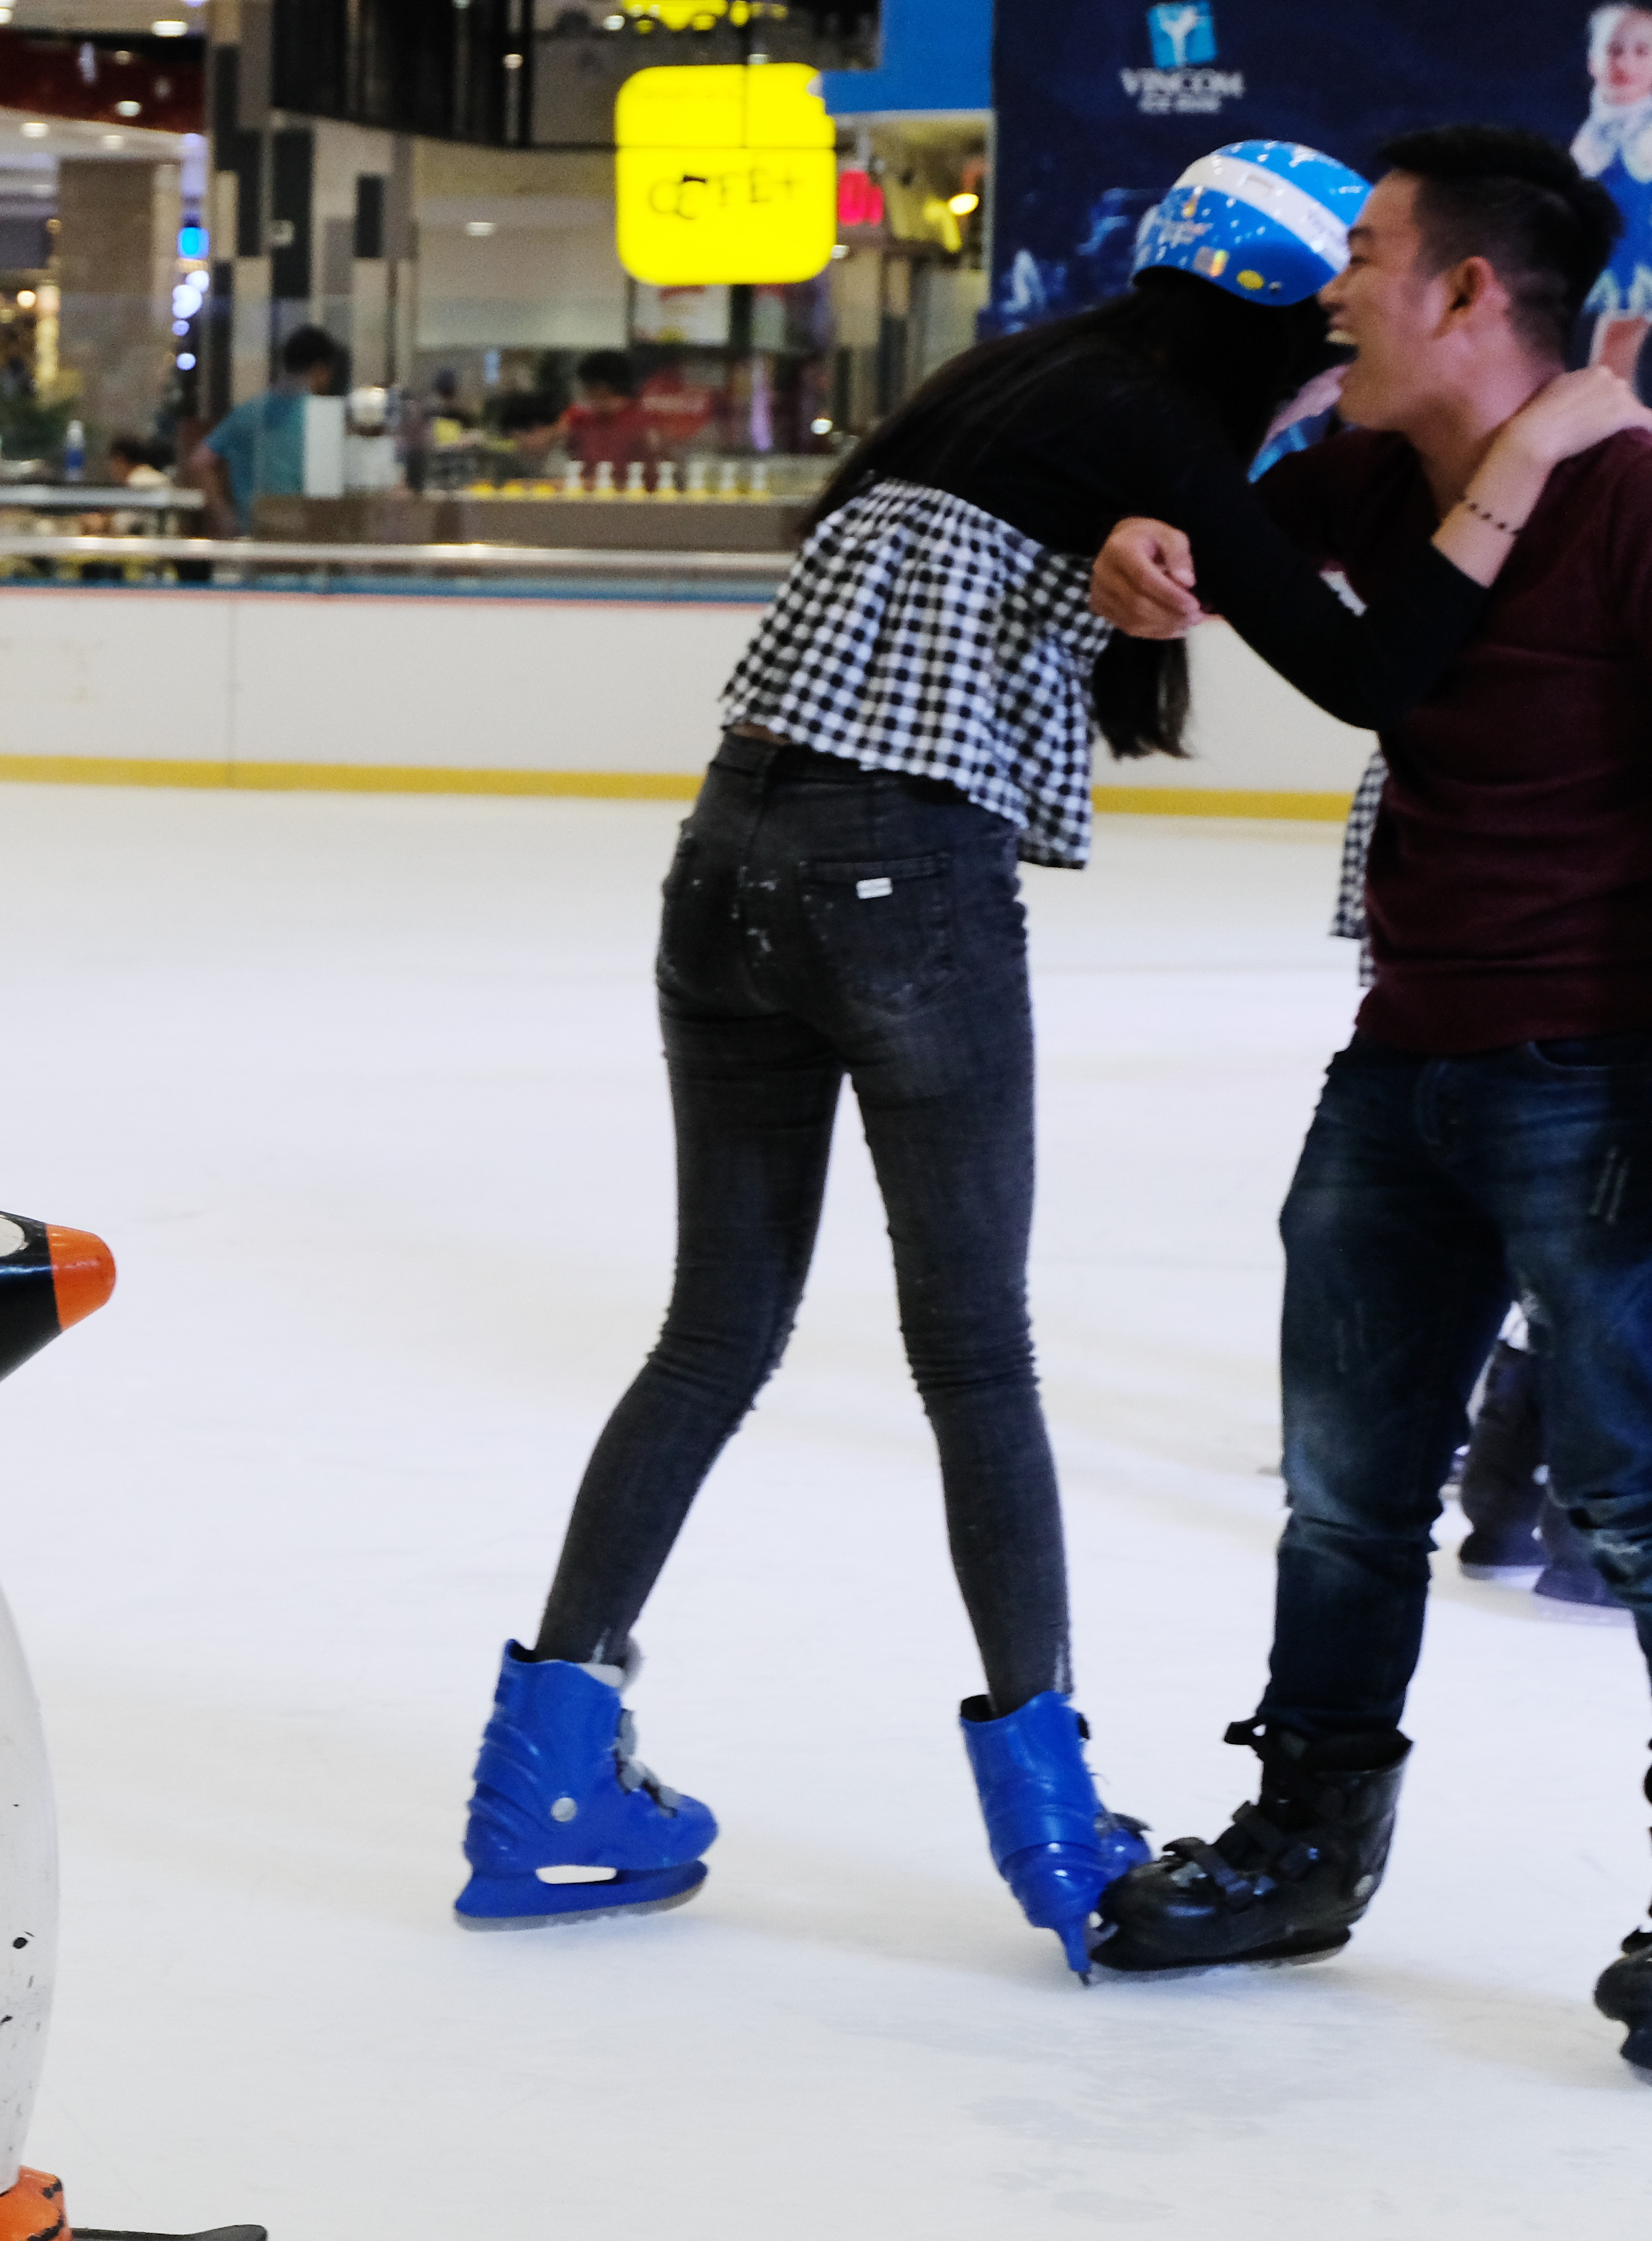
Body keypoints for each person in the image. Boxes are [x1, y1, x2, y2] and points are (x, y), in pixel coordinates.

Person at [448, 139, 1645, 1974]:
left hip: (730, 871)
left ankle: (535, 1773)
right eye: (1319, 272)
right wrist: (1524, 448)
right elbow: (1367, 662)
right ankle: (1078, 1824)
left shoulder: (1031, 392)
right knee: (1065, 1392)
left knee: (711, 1332)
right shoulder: (1211, 441)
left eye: (1370, 262)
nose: (1335, 301)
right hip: (980, 913)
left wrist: (1549, 445)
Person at [1079, 132, 1652, 2035]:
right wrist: (1137, 547)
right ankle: (1301, 1841)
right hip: (1393, 1061)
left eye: (1370, 253)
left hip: (1584, 1068)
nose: (1331, 287)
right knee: (1341, 1497)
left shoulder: (1636, 497)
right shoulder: (1374, 472)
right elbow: (1238, 549)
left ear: (1466, 292)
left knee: (1639, 1503)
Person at [190, 323, 341, 533]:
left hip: (254, 528)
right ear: (321, 369)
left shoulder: (251, 411)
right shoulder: (322, 416)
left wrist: (224, 517)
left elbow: (200, 461)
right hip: (306, 528)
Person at [1577, 4, 1652, 386]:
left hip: (1645, 263)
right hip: (1627, 264)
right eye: (1614, 50)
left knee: (1608, 369)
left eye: (1642, 52)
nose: (1625, 62)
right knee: (1609, 369)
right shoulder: (1597, 130)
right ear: (1593, 61)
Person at [553, 350, 657, 477]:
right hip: (590, 491)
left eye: (590, 390)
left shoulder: (643, 424)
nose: (587, 396)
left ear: (602, 388)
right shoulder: (580, 419)